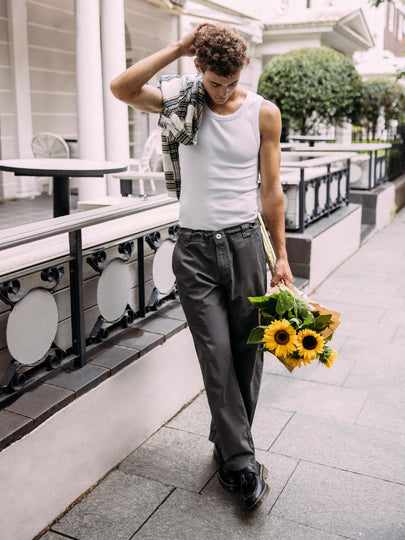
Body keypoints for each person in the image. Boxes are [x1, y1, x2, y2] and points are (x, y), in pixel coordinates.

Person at [111, 23, 293, 511]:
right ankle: (241, 462)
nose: (224, 91)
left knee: (247, 354)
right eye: (215, 82)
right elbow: (122, 88)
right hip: (193, 252)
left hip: (247, 246)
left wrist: (282, 256)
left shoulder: (263, 113)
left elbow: (271, 190)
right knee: (216, 355)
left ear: (243, 70)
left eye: (232, 81)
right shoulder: (178, 102)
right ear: (198, 67)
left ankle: (228, 442)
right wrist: (175, 45)